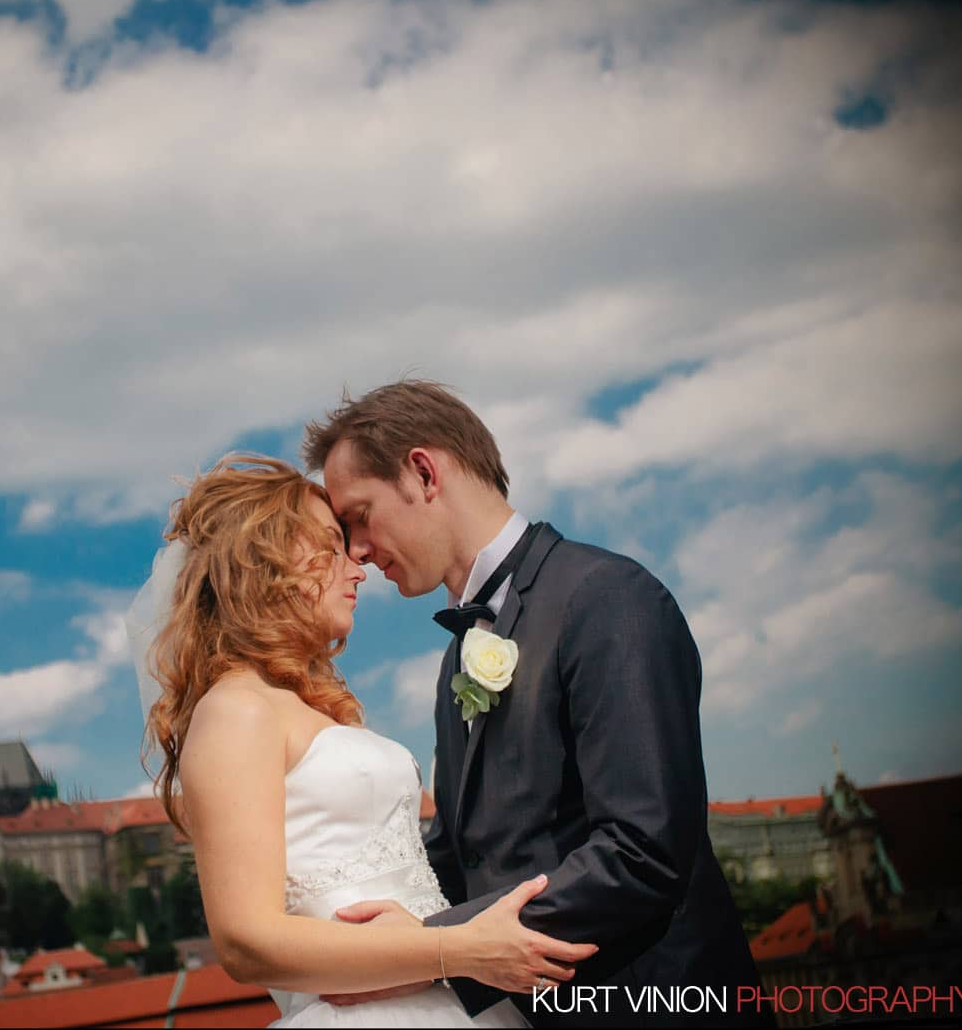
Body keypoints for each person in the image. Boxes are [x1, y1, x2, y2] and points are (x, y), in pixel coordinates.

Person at [300, 380, 765, 1027]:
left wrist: (435, 952)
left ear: (423, 472)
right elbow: (471, 849)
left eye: (358, 515)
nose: (355, 550)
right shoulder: (456, 657)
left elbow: (645, 851)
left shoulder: (608, 596)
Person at [129, 453, 596, 1028]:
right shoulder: (234, 710)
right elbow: (245, 942)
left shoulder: (299, 706)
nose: (357, 566)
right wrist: (458, 951)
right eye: (330, 544)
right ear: (262, 563)